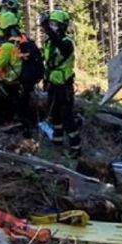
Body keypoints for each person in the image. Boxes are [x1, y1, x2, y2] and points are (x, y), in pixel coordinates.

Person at [0, 10, 37, 137]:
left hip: (10, 84)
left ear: (2, 29)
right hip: (22, 84)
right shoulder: (23, 42)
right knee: (15, 108)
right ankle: (19, 126)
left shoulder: (7, 47)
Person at [42, 9, 81, 156]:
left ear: (63, 26)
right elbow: (48, 63)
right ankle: (57, 141)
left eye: (56, 24)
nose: (53, 27)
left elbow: (62, 48)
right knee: (54, 115)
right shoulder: (48, 42)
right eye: (51, 24)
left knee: (67, 117)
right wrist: (45, 80)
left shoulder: (67, 42)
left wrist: (47, 29)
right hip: (52, 84)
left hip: (64, 87)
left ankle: (76, 147)